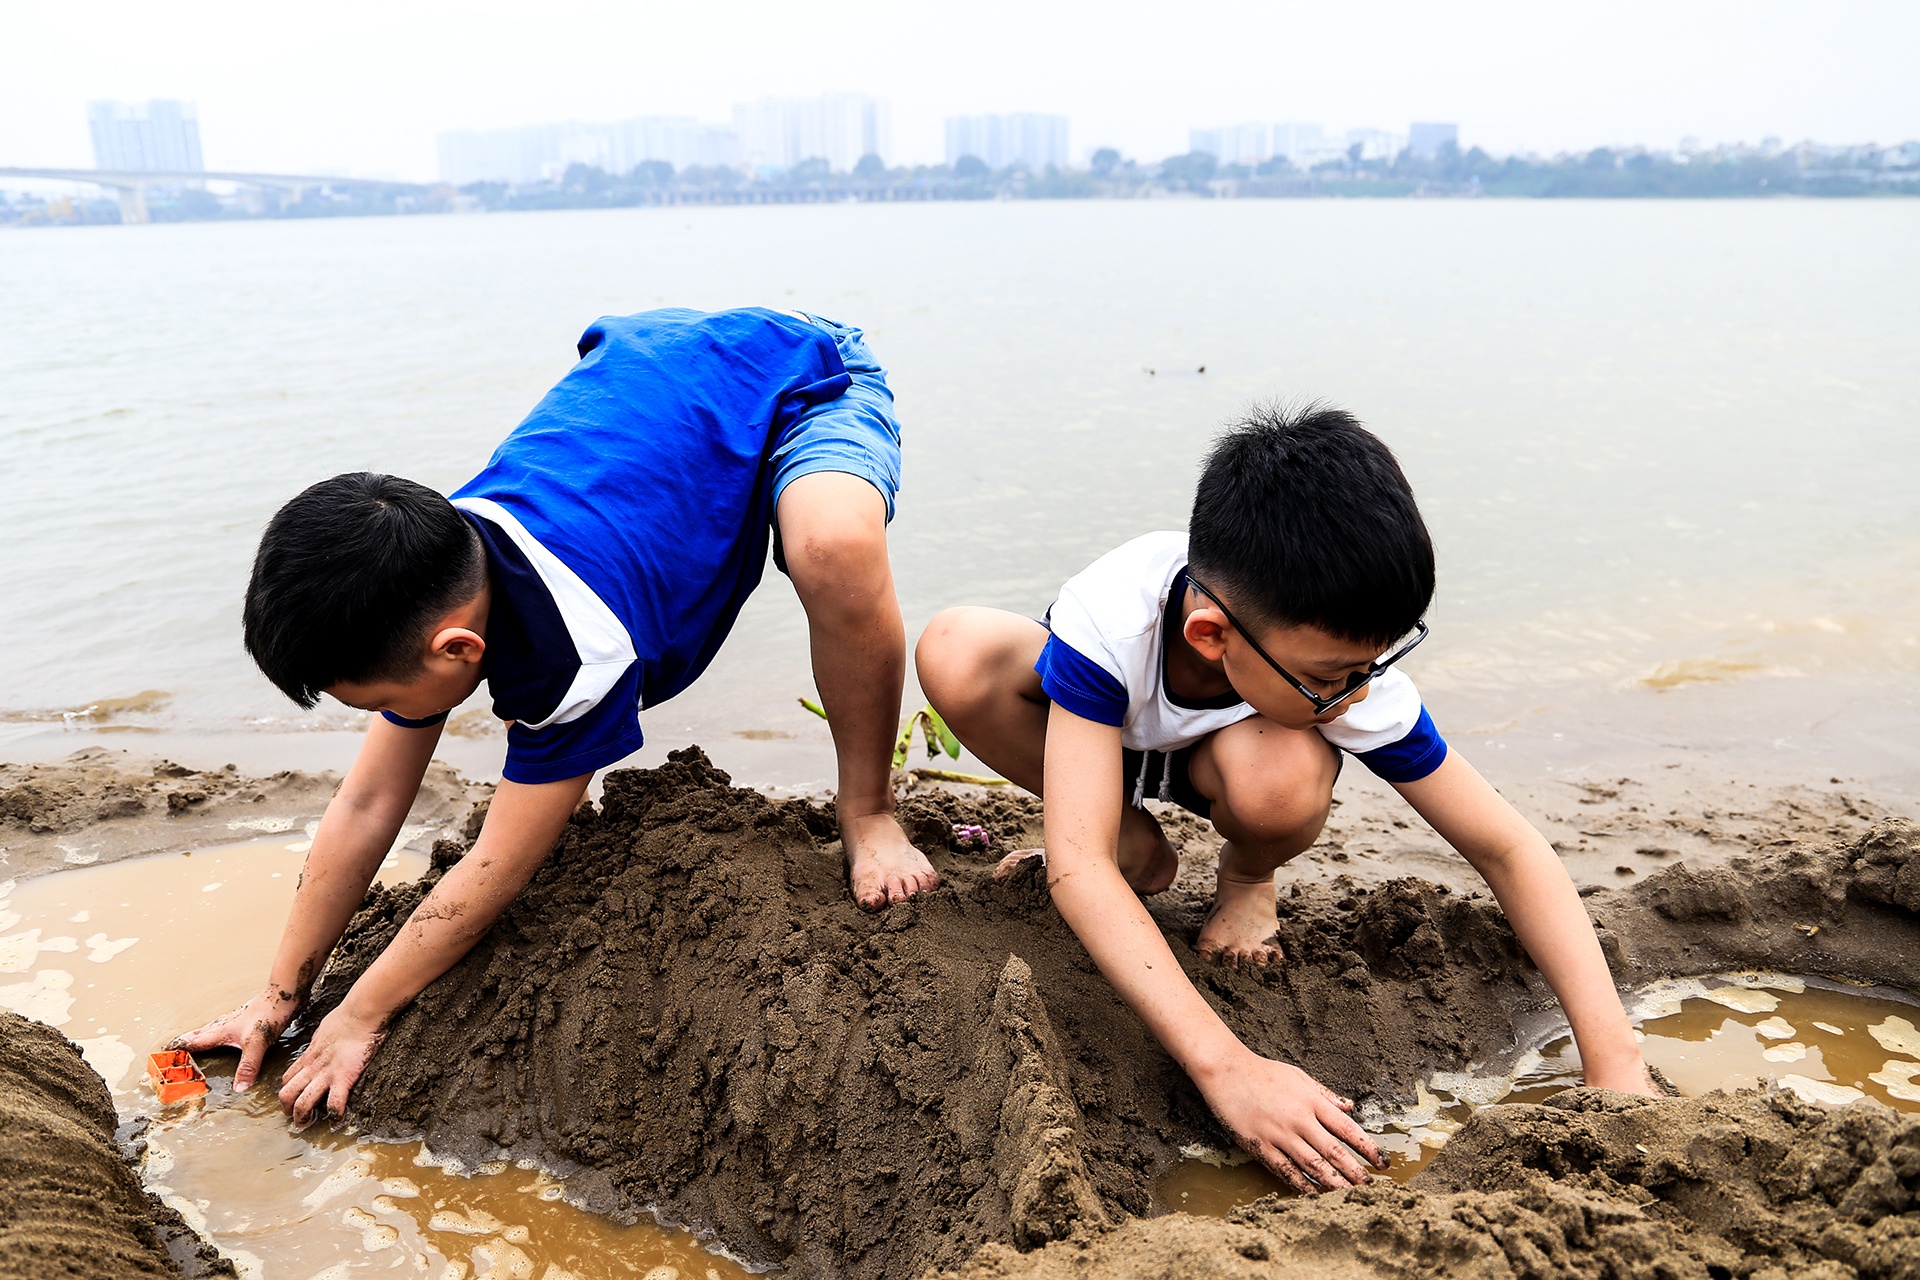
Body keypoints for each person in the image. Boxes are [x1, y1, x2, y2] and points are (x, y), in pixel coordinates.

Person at [174, 307, 937, 1125]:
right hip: (672, 384)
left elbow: (497, 866)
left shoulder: (577, 647)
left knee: (831, 547)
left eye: (386, 705)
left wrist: (359, 1014)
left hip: (803, 377)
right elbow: (366, 804)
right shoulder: (430, 574)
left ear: (459, 648)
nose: (392, 721)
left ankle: (868, 808)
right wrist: (280, 996)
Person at [914, 402, 1655, 1194]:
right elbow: (1078, 875)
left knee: (1282, 786)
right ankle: (1130, 838)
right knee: (956, 651)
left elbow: (1504, 846)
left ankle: (1247, 876)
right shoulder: (1117, 616)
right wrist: (1229, 1068)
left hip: (1237, 762)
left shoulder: (1340, 669)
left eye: (1374, 664)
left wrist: (1614, 1060)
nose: (1355, 693)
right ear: (1210, 636)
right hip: (1103, 735)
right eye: (1335, 676)